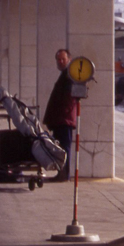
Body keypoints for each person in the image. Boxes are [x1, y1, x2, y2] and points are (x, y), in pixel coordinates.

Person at [43, 49, 77, 182]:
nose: (60, 61)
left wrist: (61, 115)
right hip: (61, 119)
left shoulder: (69, 75)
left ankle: (64, 174)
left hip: (64, 119)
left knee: (64, 147)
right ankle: (61, 173)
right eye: (58, 59)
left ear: (69, 59)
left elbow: (68, 99)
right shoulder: (65, 74)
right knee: (61, 147)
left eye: (63, 59)